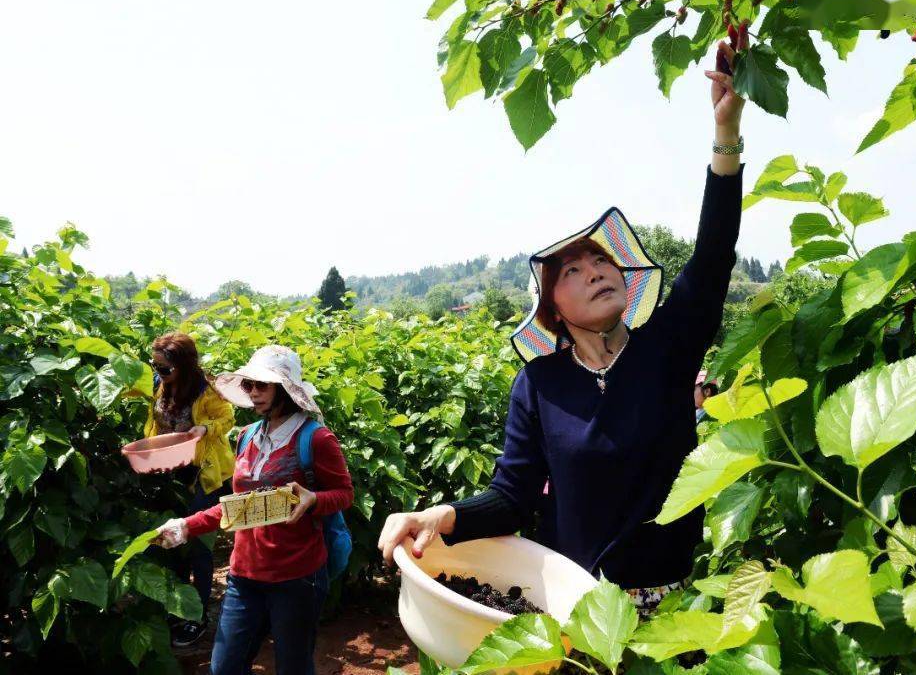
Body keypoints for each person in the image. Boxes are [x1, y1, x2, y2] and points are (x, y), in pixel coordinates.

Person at [379, 41, 746, 616]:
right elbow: (512, 496)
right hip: (578, 609)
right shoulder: (540, 385)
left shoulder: (668, 348)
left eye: (601, 261)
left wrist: (726, 133)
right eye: (571, 270)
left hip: (675, 608)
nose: (596, 271)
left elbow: (714, 255)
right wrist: (439, 516)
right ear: (552, 309)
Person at [154, 345, 353, 675]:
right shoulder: (247, 437)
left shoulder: (315, 439)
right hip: (244, 576)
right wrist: (186, 526)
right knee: (225, 667)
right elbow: (239, 509)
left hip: (297, 577)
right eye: (249, 385)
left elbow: (344, 494)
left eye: (263, 385)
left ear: (285, 389)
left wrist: (314, 500)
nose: (254, 393)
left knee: (293, 666)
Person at [145, 332, 235, 647]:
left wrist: (205, 429)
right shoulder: (162, 384)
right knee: (172, 539)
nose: (159, 373)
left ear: (184, 366)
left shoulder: (206, 391)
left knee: (199, 543)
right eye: (155, 366)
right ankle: (182, 605)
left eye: (165, 368)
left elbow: (228, 418)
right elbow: (156, 422)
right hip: (172, 470)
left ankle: (198, 615)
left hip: (206, 473)